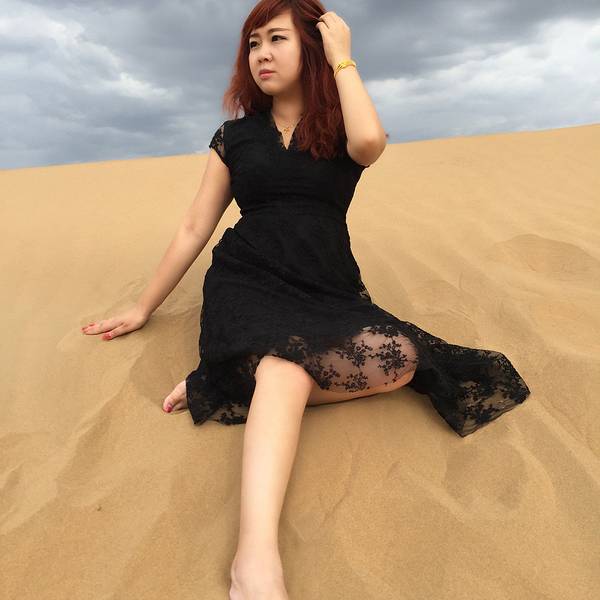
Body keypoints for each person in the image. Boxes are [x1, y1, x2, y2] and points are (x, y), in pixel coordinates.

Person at [81, 2, 531, 598]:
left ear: (311, 48)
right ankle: (254, 560)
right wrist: (143, 307)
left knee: (403, 359)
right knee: (285, 366)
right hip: (248, 278)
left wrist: (341, 52)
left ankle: (234, 379)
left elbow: (370, 143)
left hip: (326, 285)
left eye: (277, 39)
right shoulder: (235, 136)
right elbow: (195, 226)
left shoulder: (341, 126)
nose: (261, 54)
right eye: (252, 43)